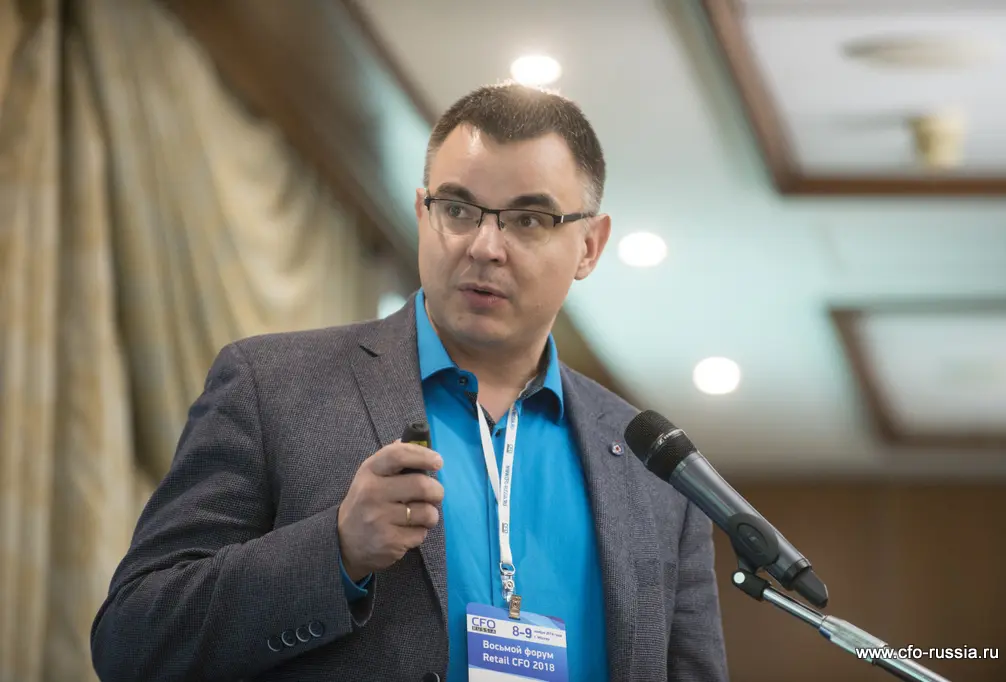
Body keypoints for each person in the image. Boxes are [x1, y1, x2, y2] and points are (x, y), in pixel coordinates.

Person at [91, 82, 729, 682]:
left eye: (528, 220)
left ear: (589, 245)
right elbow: (133, 639)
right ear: (423, 214)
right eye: (458, 209)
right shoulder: (273, 387)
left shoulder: (655, 470)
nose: (485, 246)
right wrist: (335, 550)